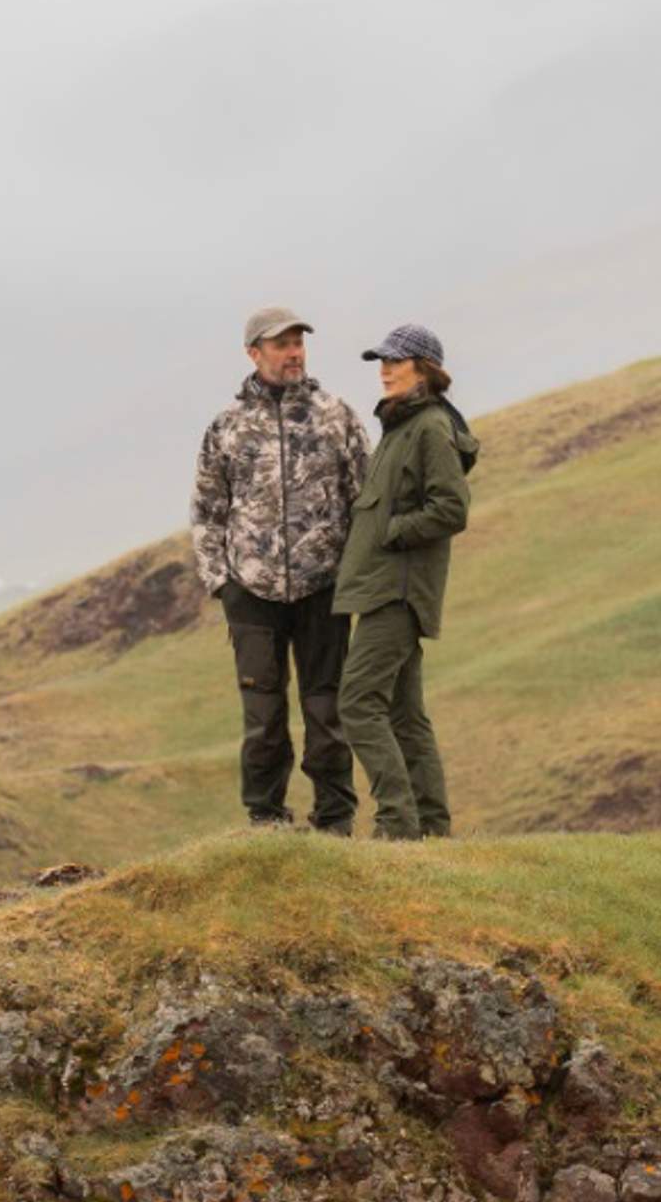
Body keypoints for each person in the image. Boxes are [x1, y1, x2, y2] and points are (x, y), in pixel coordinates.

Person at [191, 307, 371, 833]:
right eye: (281, 344)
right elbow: (207, 510)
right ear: (254, 353)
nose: (293, 352)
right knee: (264, 718)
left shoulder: (336, 415)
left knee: (326, 712)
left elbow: (363, 499)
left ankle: (334, 820)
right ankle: (265, 818)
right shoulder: (227, 427)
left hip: (323, 589)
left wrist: (352, 574)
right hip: (251, 592)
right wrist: (220, 582)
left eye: (298, 342)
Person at [332, 323, 478, 840]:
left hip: (396, 591)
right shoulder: (402, 427)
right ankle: (433, 829)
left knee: (357, 703)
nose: (385, 370)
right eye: (381, 361)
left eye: (396, 361)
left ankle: (397, 824)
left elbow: (451, 508)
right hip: (382, 588)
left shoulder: (429, 428)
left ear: (425, 369)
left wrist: (393, 533)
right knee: (405, 715)